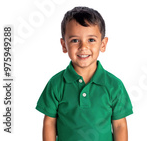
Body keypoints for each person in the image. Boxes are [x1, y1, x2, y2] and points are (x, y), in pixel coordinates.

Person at [36, 6, 133, 141]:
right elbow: (49, 122)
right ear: (64, 45)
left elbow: (119, 125)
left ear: (103, 44)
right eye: (75, 40)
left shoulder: (114, 85)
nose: (83, 47)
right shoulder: (56, 84)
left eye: (91, 40)